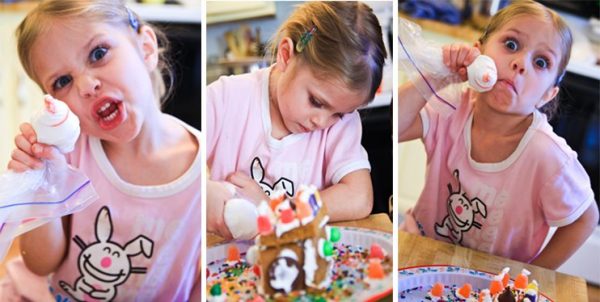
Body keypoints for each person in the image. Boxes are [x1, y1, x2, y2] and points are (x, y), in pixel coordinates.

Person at [5, 0, 201, 300]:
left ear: (146, 48)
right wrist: (43, 185)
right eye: (62, 81)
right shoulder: (65, 157)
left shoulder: (204, 172)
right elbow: (40, 263)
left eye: (98, 54)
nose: (86, 85)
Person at [398, 0, 598, 269]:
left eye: (541, 62)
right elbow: (395, 127)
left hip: (488, 281)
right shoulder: (451, 105)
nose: (520, 63)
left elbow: (585, 219)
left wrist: (532, 273)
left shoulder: (548, 155)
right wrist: (437, 76)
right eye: (511, 45)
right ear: (479, 51)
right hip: (419, 254)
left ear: (547, 95)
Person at [207, 1, 387, 238]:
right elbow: (185, 175)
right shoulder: (224, 98)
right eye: (316, 101)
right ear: (286, 56)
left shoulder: (341, 126)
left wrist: (276, 211)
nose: (322, 122)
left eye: (338, 113)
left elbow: (360, 197)